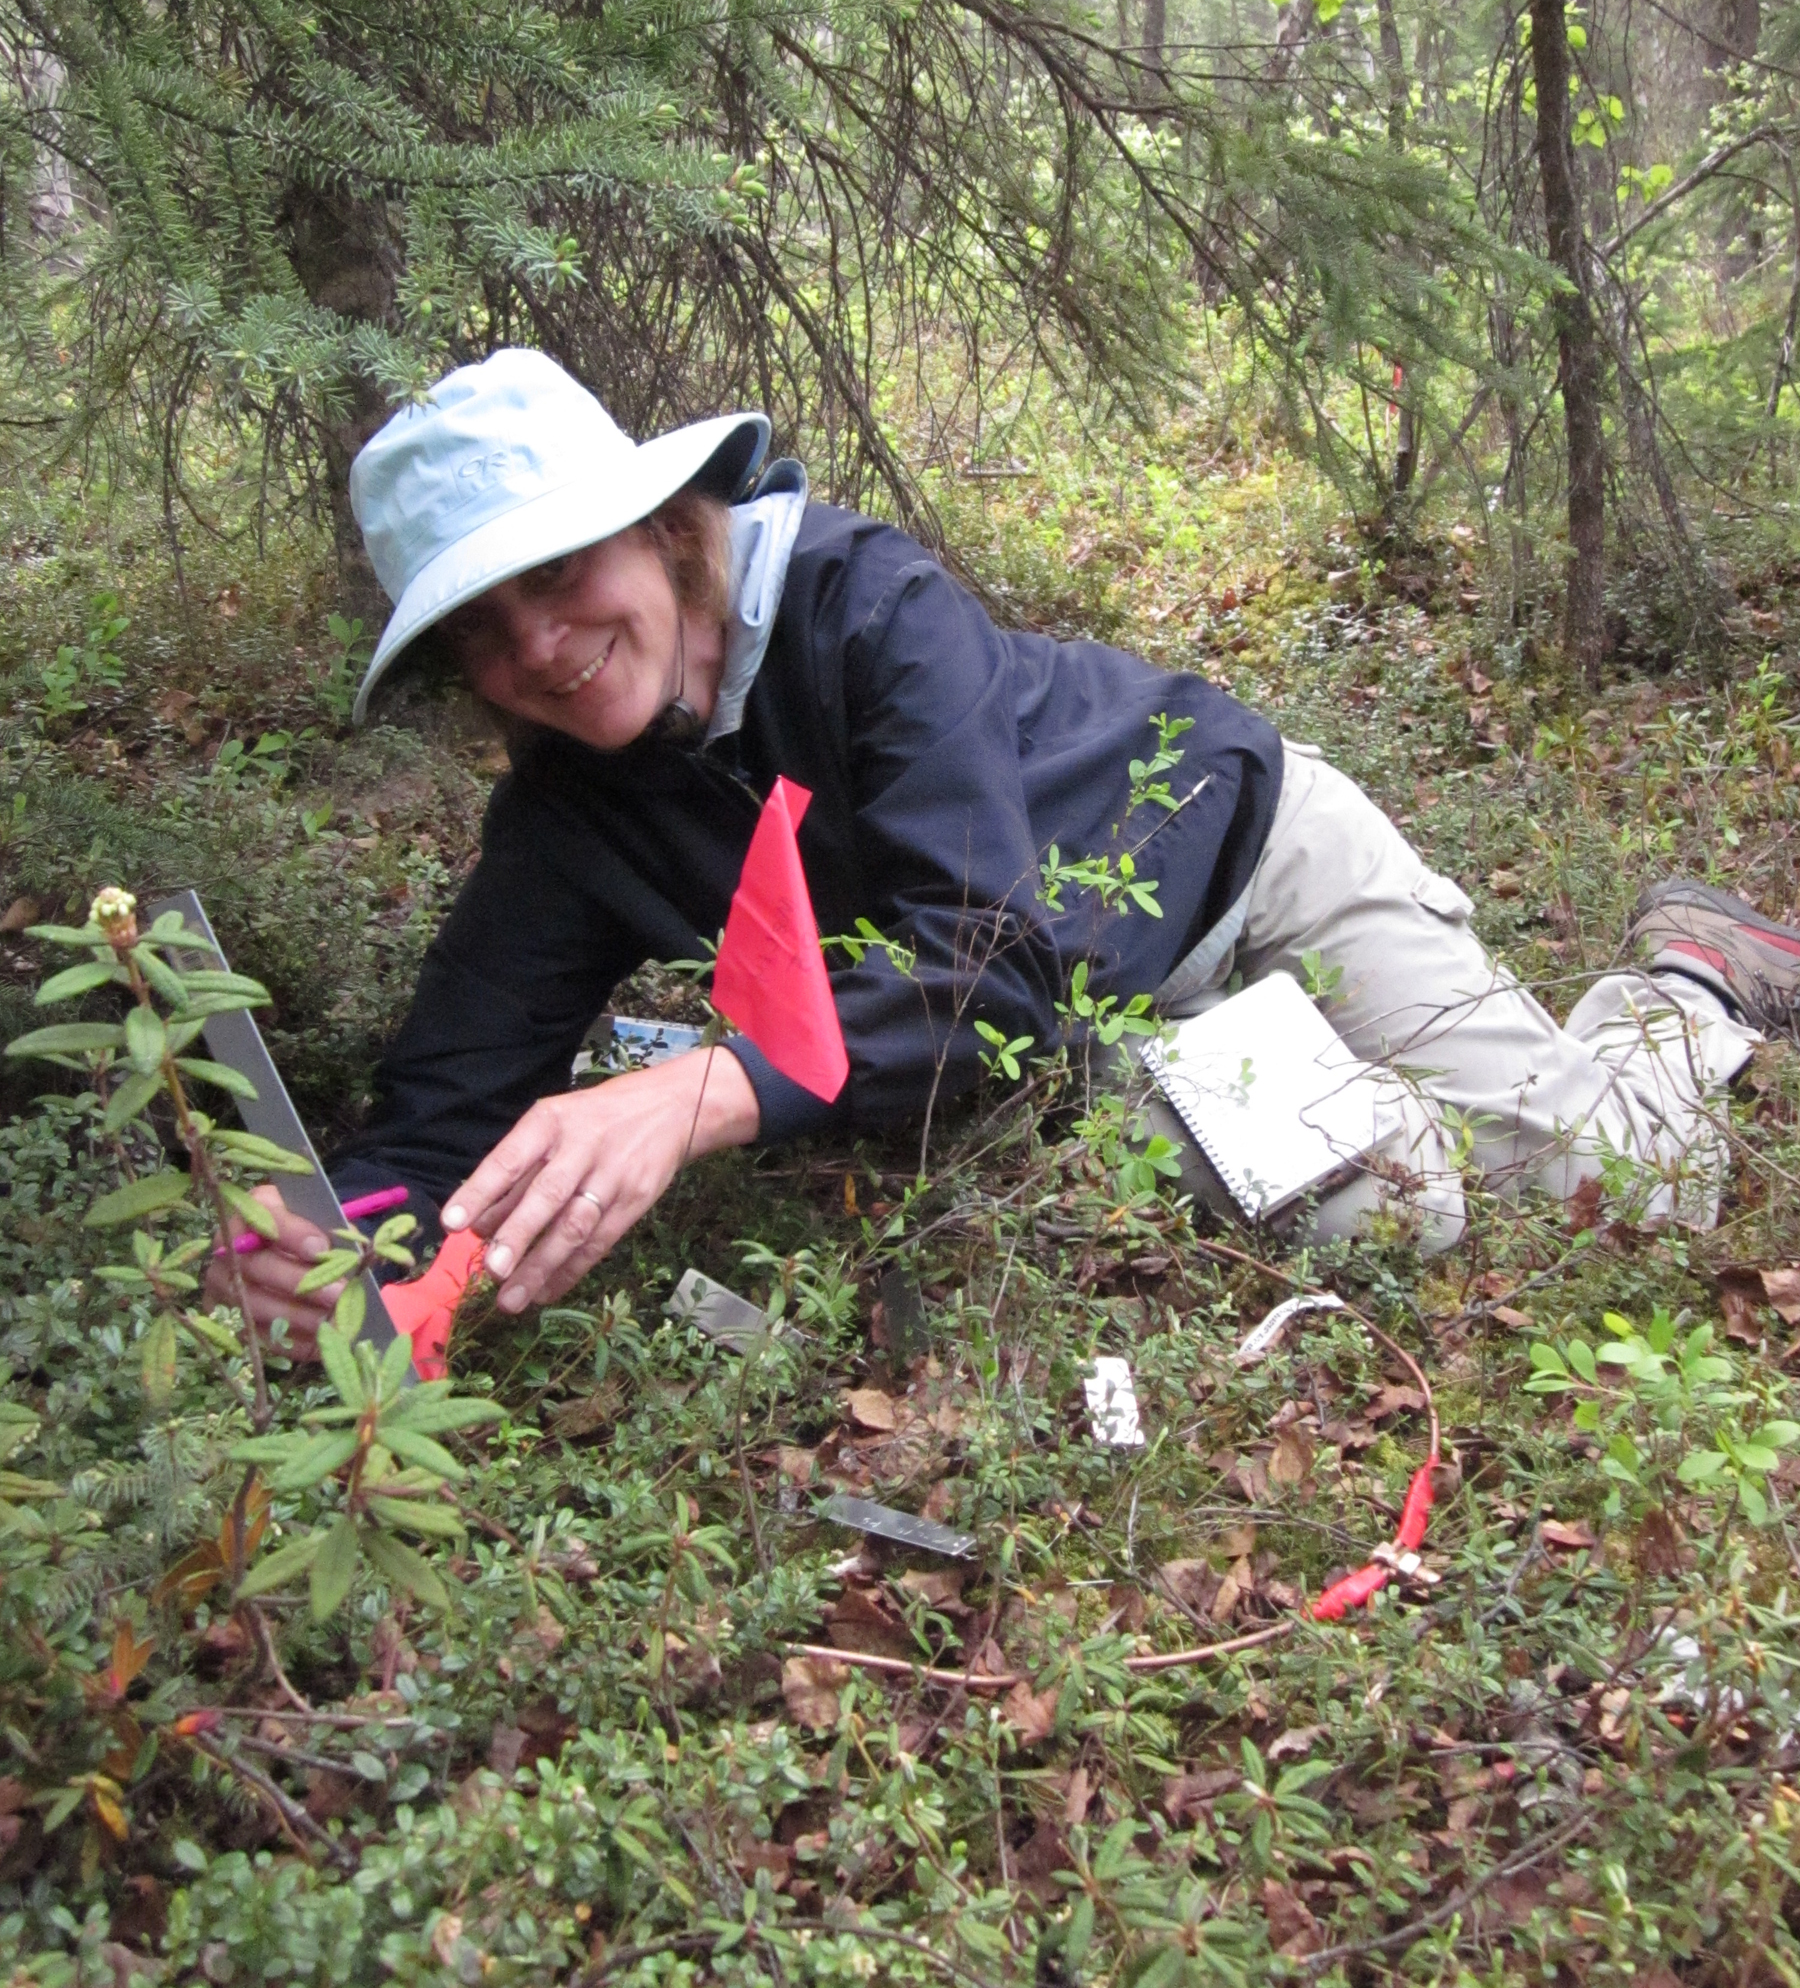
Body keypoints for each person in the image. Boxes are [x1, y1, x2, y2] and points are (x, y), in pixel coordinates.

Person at [209, 349, 1800, 1352]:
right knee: (1397, 1207)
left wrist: (697, 1091)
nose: (540, 651)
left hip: (1244, 862)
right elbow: (444, 1103)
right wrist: (332, 1235)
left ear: (658, 522)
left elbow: (989, 956)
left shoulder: (861, 607)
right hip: (1088, 1023)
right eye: (482, 632)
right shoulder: (570, 811)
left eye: (558, 576)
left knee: (1618, 1192)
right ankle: (1358, 1100)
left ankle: (1683, 983)